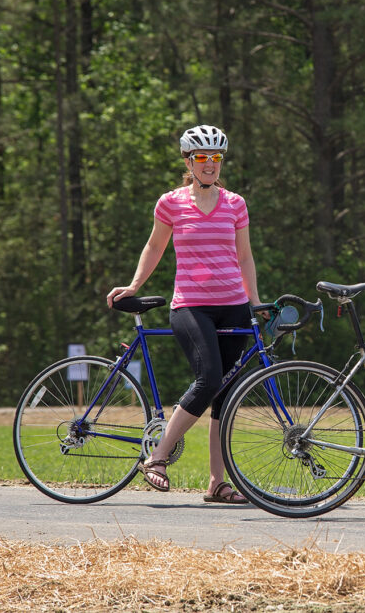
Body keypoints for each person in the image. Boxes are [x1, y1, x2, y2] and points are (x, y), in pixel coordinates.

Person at [106, 124, 262, 504]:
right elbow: (154, 246)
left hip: (234, 307)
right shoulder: (171, 202)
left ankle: (217, 483)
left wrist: (255, 303)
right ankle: (157, 457)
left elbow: (244, 256)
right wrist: (134, 285)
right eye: (202, 158)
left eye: (216, 158)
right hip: (191, 305)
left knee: (225, 396)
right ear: (188, 162)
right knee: (208, 379)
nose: (210, 164)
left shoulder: (235, 203)